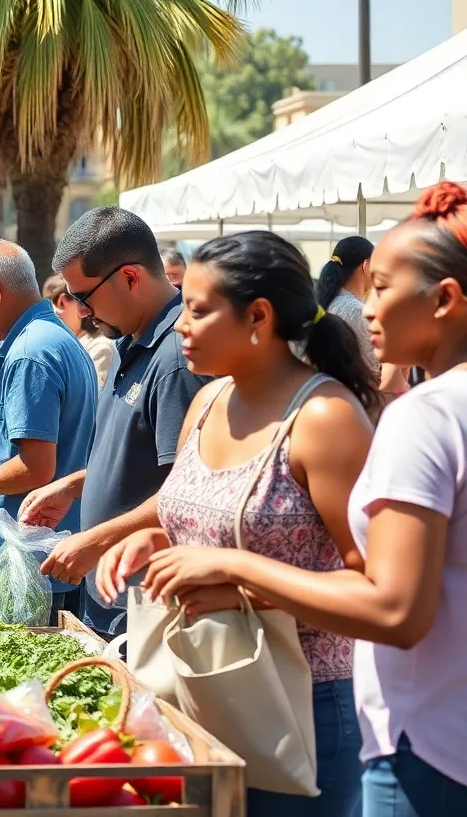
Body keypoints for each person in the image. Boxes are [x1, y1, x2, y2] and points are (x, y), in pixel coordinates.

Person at [133, 183, 467, 816]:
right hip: (219, 684)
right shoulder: (207, 400)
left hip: (342, 713)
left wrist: (235, 571)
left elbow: (386, 598)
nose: (364, 306)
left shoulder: (392, 417)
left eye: (384, 287)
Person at [99, 231, 378, 817]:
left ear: (258, 315)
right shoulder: (207, 403)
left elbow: (374, 591)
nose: (180, 324)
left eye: (198, 310)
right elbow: (200, 523)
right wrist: (151, 540)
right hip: (200, 690)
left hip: (299, 705)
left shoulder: (324, 418)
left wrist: (233, 571)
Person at [23, 207, 209, 637]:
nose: (83, 312)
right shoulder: (131, 339)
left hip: (147, 606)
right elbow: (133, 456)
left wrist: (96, 539)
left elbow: (186, 494)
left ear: (129, 277)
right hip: (115, 599)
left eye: (85, 296)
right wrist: (75, 485)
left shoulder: (178, 358)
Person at [0, 238, 98, 620]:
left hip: (36, 562)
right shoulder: (53, 335)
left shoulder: (29, 353)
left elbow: (37, 469)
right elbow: (52, 434)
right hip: (51, 554)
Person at [317, 235, 409, 400]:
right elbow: (379, 369)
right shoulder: (356, 310)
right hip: (362, 400)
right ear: (366, 266)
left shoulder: (329, 303)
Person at [42, 274, 115, 389]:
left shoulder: (100, 347)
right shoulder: (53, 344)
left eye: (61, 303)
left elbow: (90, 395)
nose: (55, 312)